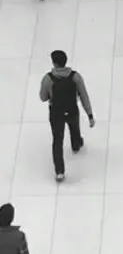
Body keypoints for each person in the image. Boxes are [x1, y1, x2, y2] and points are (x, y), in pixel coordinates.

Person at [39, 50, 95, 182]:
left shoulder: (48, 79)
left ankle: (60, 171)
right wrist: (90, 115)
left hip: (56, 112)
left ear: (54, 63)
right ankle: (76, 144)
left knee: (57, 140)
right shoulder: (75, 77)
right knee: (74, 128)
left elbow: (43, 97)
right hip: (72, 109)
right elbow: (84, 96)